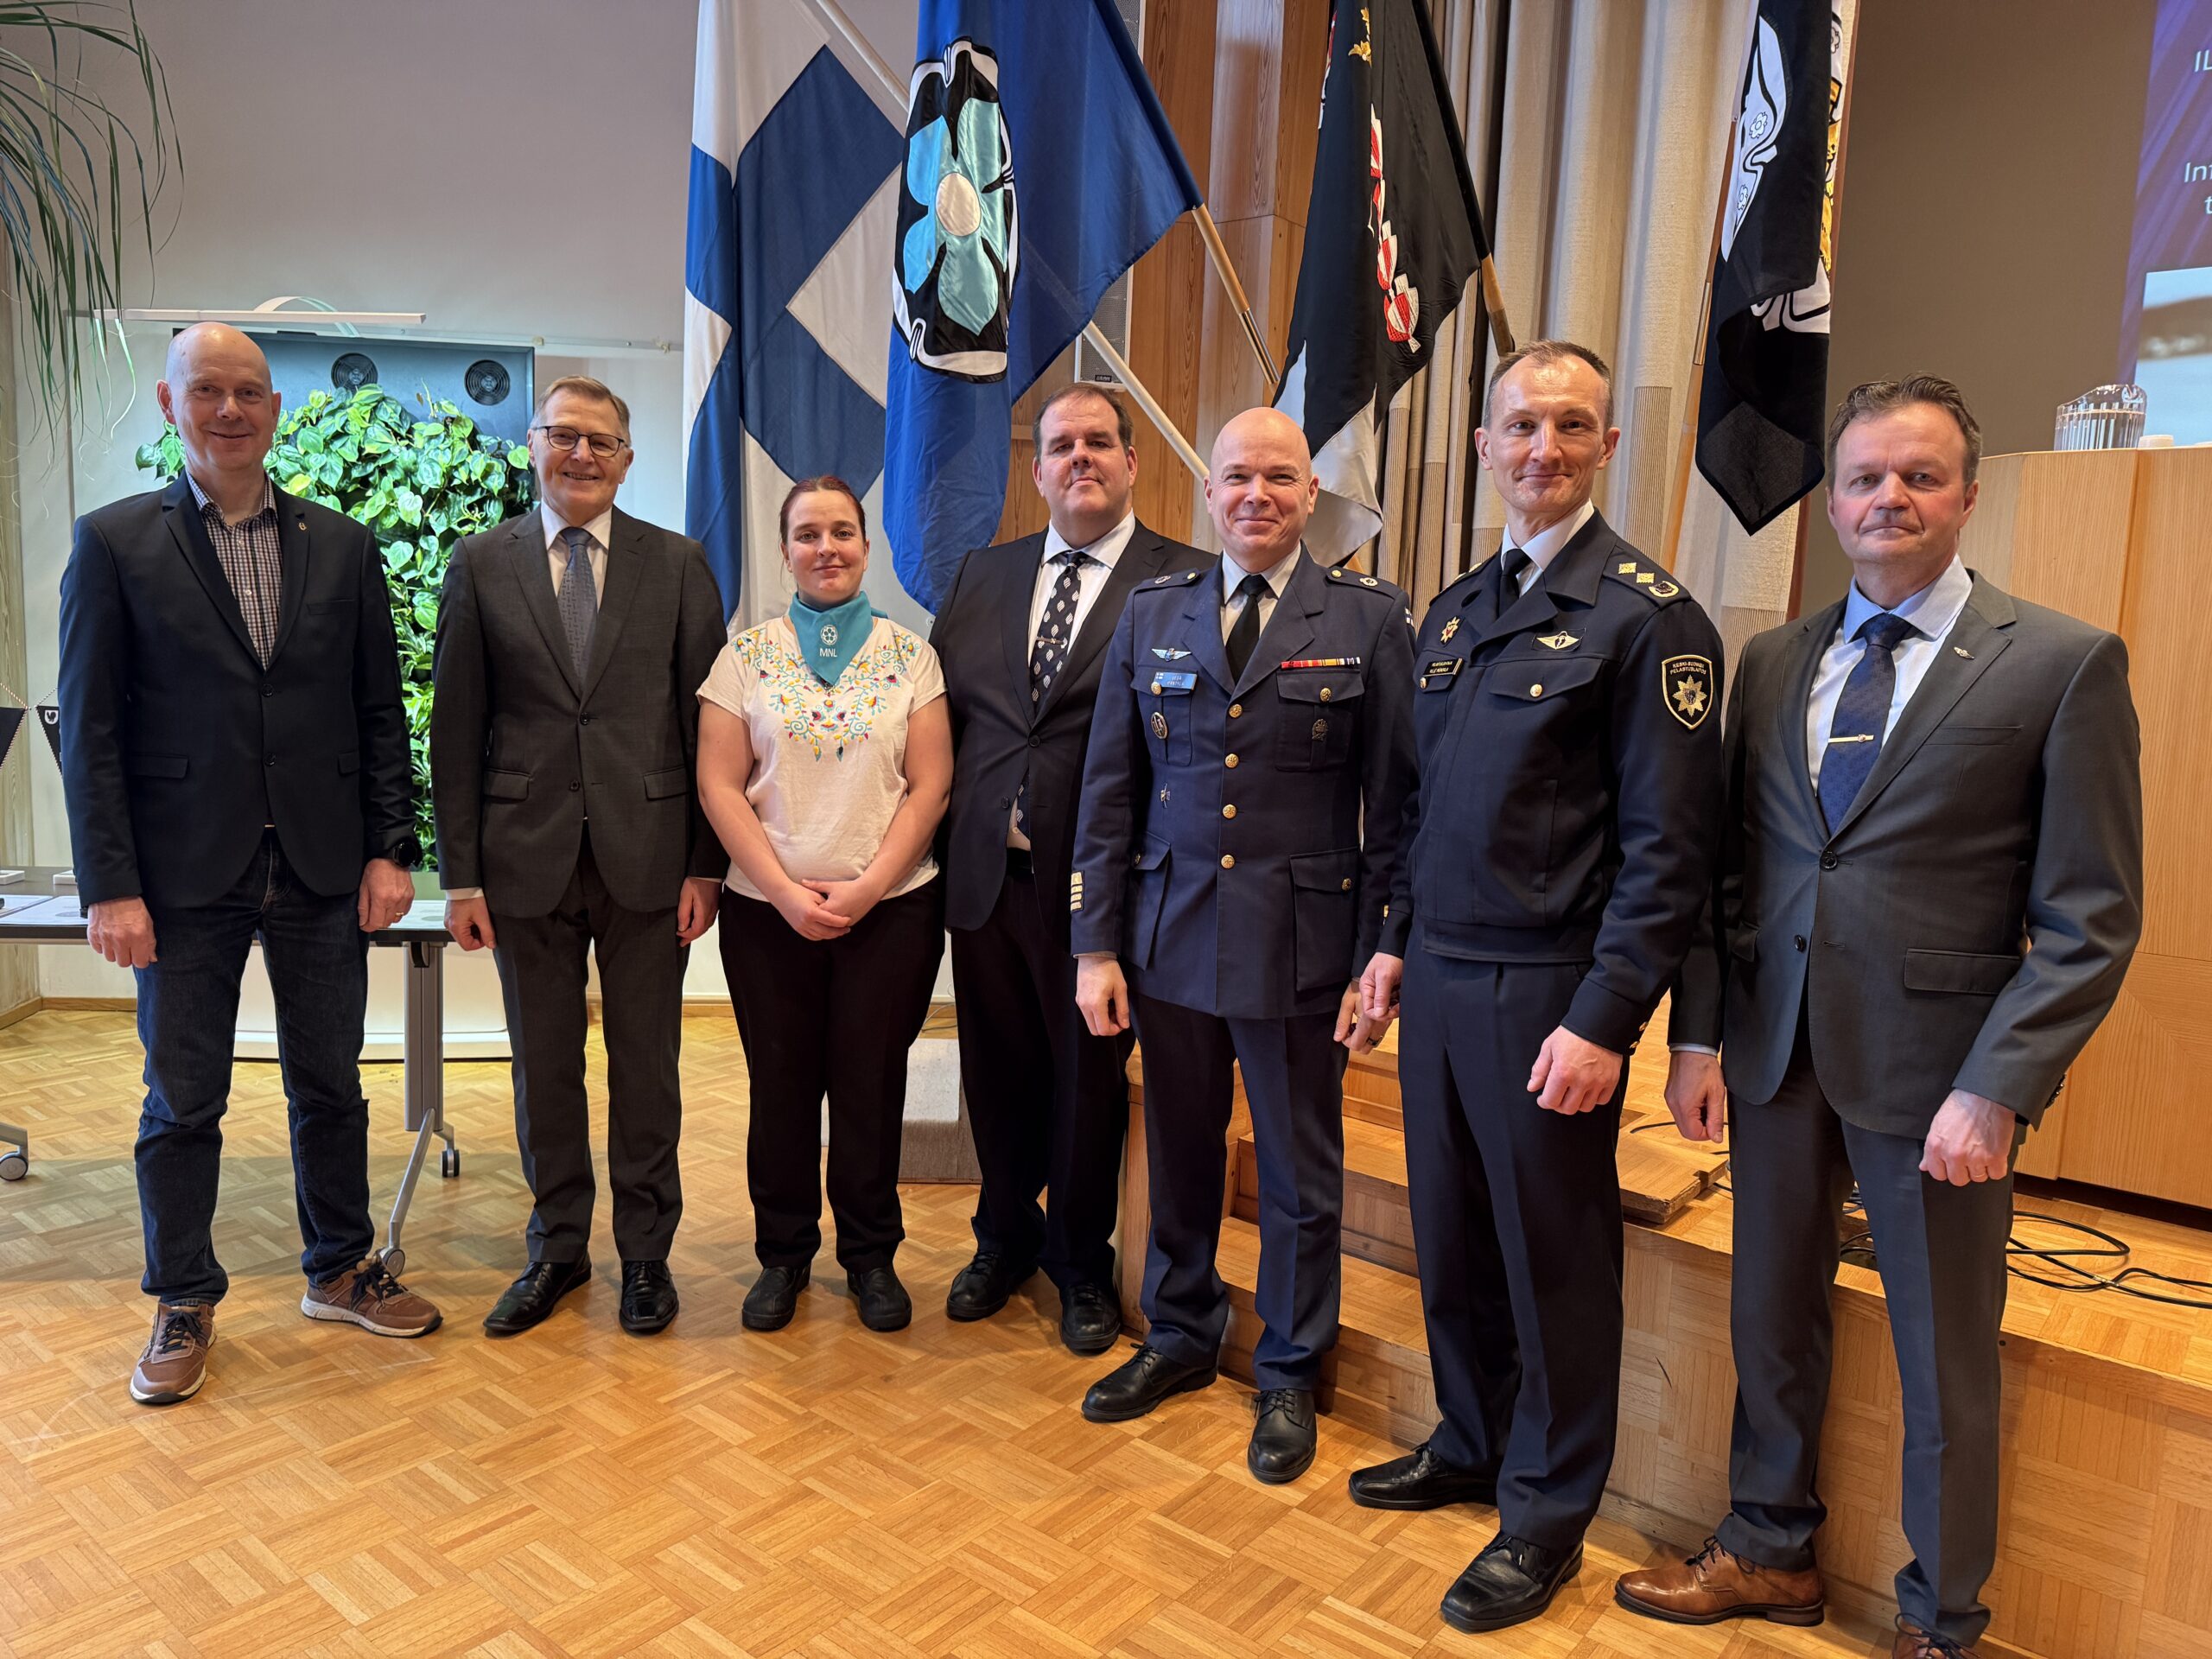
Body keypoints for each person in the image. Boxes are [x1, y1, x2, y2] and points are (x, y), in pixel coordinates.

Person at [1615, 377, 2144, 1659]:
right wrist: (1698, 1037)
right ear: (1833, 501)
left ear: (1968, 495)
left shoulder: (2061, 663)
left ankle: (1942, 1619)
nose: (1888, 498)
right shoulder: (1773, 660)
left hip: (1941, 1082)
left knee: (1942, 1358)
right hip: (1775, 1056)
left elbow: (2091, 917)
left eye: (1918, 476)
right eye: (1864, 478)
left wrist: (1999, 1086)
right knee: (1768, 1320)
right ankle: (1767, 1547)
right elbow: (1730, 873)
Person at [1351, 340, 1726, 1634]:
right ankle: (1469, 1439)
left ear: (1609, 446)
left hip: (1547, 991)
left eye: (1571, 426)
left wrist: (1606, 1017)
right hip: (1440, 976)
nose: (1543, 448)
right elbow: (1420, 812)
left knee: (1552, 1262)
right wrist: (1390, 944)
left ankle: (1546, 1514)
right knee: (1452, 1237)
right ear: (1484, 446)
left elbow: (1671, 855)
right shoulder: (1457, 611)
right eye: (1520, 425)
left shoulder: (1649, 620)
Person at [57, 321, 439, 1407]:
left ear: (275, 411)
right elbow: (92, 732)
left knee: (332, 1086)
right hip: (182, 878)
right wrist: (110, 886)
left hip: (320, 867)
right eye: (207, 391)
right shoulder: (114, 543)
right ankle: (183, 1297)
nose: (230, 410)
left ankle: (339, 1270)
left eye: (249, 392)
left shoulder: (343, 546)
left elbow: (377, 712)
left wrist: (390, 849)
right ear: (171, 406)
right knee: (183, 1101)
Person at [1069, 406, 1414, 1485]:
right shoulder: (1153, 614)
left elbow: (1396, 810)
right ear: (1207, 493)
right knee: (1179, 1148)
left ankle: (1290, 1370)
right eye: (1235, 477)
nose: (1255, 495)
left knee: (1299, 1173)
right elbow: (1109, 792)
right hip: (1167, 936)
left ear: (1311, 494)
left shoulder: (1367, 619)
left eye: (1277, 477)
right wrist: (1094, 946)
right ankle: (1180, 1333)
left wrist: (1379, 951)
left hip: (1301, 947)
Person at [430, 375, 727, 1338]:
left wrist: (706, 865)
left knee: (647, 1070)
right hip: (523, 863)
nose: (582, 455)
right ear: (533, 445)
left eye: (601, 441)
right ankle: (557, 1248)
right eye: (564, 436)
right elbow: (456, 729)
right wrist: (462, 877)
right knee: (544, 1070)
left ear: (627, 461)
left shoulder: (678, 564)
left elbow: (710, 727)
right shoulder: (480, 563)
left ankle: (645, 1257)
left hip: (650, 862)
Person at [931, 385, 1210, 1353]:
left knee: (1088, 1083)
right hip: (984, 878)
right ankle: (1002, 1236)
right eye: (1060, 445)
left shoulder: (1187, 580)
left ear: (1133, 462)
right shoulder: (983, 575)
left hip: (1108, 892)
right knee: (996, 1073)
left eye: (1098, 442)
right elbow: (946, 723)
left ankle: (1080, 1262)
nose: (1078, 457)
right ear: (1039, 470)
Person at [695, 476, 952, 1335]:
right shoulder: (743, 659)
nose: (826, 548)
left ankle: (870, 1256)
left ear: (866, 548)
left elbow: (931, 785)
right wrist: (782, 891)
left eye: (842, 532)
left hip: (892, 912)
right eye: (808, 534)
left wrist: (869, 886)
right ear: (785, 552)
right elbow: (719, 785)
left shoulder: (913, 657)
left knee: (870, 1086)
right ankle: (783, 1256)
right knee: (781, 1088)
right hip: (767, 917)